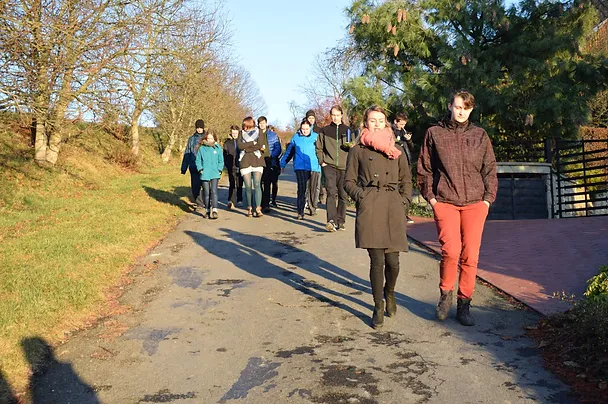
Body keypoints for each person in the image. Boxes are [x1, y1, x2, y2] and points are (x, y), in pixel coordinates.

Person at [417, 90, 498, 326]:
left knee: (470, 254)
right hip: (446, 201)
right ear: (450, 106)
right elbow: (424, 168)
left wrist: (487, 200)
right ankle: (445, 295)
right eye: (458, 106)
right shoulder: (435, 134)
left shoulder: (480, 135)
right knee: (451, 251)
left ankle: (464, 304)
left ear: (471, 110)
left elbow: (490, 168)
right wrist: (431, 198)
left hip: (475, 203)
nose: (461, 112)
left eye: (466, 108)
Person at [344, 105, 412, 329]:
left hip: (393, 205)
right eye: (372, 120)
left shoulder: (397, 149)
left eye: (380, 120)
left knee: (393, 262)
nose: (376, 124)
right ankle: (377, 306)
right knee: (377, 262)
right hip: (371, 205)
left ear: (386, 123)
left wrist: (404, 202)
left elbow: (406, 181)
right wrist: (362, 197)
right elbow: (348, 182)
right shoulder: (358, 151)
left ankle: (389, 292)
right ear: (365, 123)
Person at [316, 105, 352, 232]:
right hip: (329, 165)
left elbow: (353, 149)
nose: (335, 118)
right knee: (331, 192)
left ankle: (340, 221)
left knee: (343, 194)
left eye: (337, 115)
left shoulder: (348, 130)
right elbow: (319, 148)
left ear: (342, 115)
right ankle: (331, 221)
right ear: (330, 116)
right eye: (333, 115)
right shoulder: (324, 131)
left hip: (344, 167)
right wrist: (322, 162)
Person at [280, 119, 321, 219]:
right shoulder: (296, 138)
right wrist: (282, 163)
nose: (305, 131)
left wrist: (324, 162)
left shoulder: (316, 137)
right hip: (300, 167)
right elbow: (289, 152)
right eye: (303, 129)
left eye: (307, 129)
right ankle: (300, 211)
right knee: (302, 188)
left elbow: (322, 151)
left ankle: (312, 208)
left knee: (313, 189)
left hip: (314, 166)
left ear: (310, 128)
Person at [238, 116, 266, 217]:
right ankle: (249, 207)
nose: (244, 127)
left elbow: (260, 145)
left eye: (246, 125)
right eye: (243, 126)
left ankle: (258, 208)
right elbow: (240, 146)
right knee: (248, 186)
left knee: (257, 184)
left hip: (257, 160)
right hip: (245, 161)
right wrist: (251, 143)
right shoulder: (241, 133)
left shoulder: (259, 132)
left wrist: (247, 149)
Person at [392, 112, 416, 224]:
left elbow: (412, 149)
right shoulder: (390, 132)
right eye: (401, 124)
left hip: (406, 162)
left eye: (404, 124)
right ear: (395, 122)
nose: (403, 126)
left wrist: (409, 140)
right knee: (395, 188)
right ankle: (394, 213)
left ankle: (405, 214)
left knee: (406, 188)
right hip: (394, 163)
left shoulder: (405, 133)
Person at [194, 129, 224, 219]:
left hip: (215, 173)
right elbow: (198, 160)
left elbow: (221, 161)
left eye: (211, 138)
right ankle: (207, 210)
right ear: (205, 138)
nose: (210, 140)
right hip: (205, 173)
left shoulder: (218, 148)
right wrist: (200, 169)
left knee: (214, 191)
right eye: (208, 138)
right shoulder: (202, 148)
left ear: (214, 138)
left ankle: (215, 210)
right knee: (206, 193)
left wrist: (219, 170)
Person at [258, 117, 282, 213]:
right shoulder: (256, 134)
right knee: (258, 183)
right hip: (258, 161)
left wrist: (272, 156)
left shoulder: (273, 135)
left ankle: (266, 204)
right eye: (260, 123)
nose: (262, 125)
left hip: (269, 161)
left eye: (263, 123)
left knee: (267, 183)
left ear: (266, 123)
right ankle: (259, 202)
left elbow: (278, 148)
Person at [180, 119, 205, 209]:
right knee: (195, 186)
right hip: (193, 166)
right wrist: (184, 168)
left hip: (205, 166)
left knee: (205, 185)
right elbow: (187, 153)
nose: (199, 129)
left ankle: (206, 202)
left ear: (203, 128)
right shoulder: (191, 139)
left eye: (200, 128)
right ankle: (199, 204)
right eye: (197, 128)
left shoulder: (207, 138)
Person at [306, 109, 326, 206]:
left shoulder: (319, 130)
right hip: (306, 159)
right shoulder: (303, 129)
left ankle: (319, 196)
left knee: (318, 180)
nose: (311, 120)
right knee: (308, 181)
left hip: (317, 157)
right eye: (309, 118)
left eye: (312, 118)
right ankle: (308, 200)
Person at [223, 125, 243, 209]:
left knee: (239, 184)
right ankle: (230, 200)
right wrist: (227, 165)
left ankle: (239, 199)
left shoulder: (242, 142)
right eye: (233, 133)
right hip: (231, 166)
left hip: (241, 166)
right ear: (231, 133)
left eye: (236, 133)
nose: (234, 134)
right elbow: (225, 155)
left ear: (238, 133)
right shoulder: (227, 143)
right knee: (232, 183)